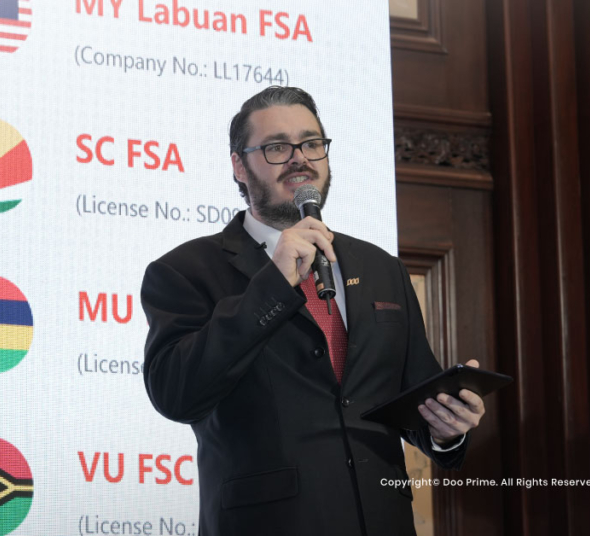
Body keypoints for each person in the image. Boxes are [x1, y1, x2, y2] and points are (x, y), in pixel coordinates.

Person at [140, 86, 486, 536]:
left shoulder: (381, 268)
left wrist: (445, 429)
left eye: (311, 143)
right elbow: (175, 394)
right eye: (277, 147)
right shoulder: (185, 270)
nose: (299, 158)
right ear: (239, 166)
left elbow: (412, 402)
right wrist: (272, 284)